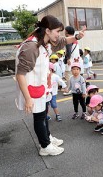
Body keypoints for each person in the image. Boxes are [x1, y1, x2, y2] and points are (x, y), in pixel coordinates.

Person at [15, 15, 85, 156]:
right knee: (39, 117)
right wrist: (28, 98)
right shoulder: (31, 47)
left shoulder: (45, 42)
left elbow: (63, 41)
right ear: (47, 30)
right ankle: (45, 146)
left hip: (42, 87)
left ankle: (47, 137)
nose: (59, 34)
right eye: (57, 31)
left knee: (44, 114)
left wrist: (77, 37)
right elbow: (20, 74)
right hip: (33, 89)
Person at [63, 26, 81, 96]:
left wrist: (67, 58)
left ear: (67, 32)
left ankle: (70, 89)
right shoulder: (75, 40)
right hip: (76, 60)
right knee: (75, 74)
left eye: (65, 31)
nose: (64, 32)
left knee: (68, 74)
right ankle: (77, 87)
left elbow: (69, 50)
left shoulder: (68, 39)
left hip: (70, 60)